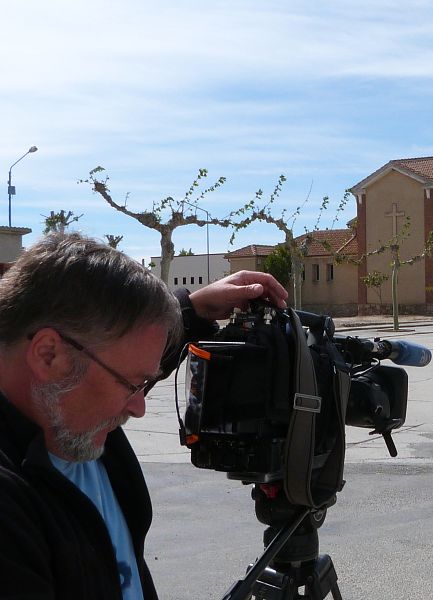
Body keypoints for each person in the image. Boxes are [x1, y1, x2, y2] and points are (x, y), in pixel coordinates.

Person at [0, 232, 288, 599]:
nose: (139, 407)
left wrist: (193, 309)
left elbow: (126, 359)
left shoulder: (67, 411)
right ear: (47, 355)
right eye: (132, 385)